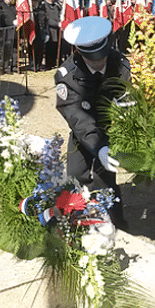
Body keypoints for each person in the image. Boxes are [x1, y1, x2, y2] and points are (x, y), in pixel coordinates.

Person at [55, 16, 130, 231]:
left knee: (106, 180)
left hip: (111, 129)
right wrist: (99, 148)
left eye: (101, 57)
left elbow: (127, 98)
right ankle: (76, 223)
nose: (99, 62)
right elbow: (77, 117)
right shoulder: (66, 75)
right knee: (76, 177)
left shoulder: (120, 64)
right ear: (79, 53)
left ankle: (116, 223)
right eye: (92, 59)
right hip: (83, 135)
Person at [40, 0, 61, 69]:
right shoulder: (43, 6)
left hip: (57, 30)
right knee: (49, 48)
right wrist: (56, 24)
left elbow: (59, 16)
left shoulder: (56, 6)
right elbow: (46, 18)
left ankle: (54, 63)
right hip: (49, 29)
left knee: (55, 47)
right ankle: (48, 64)